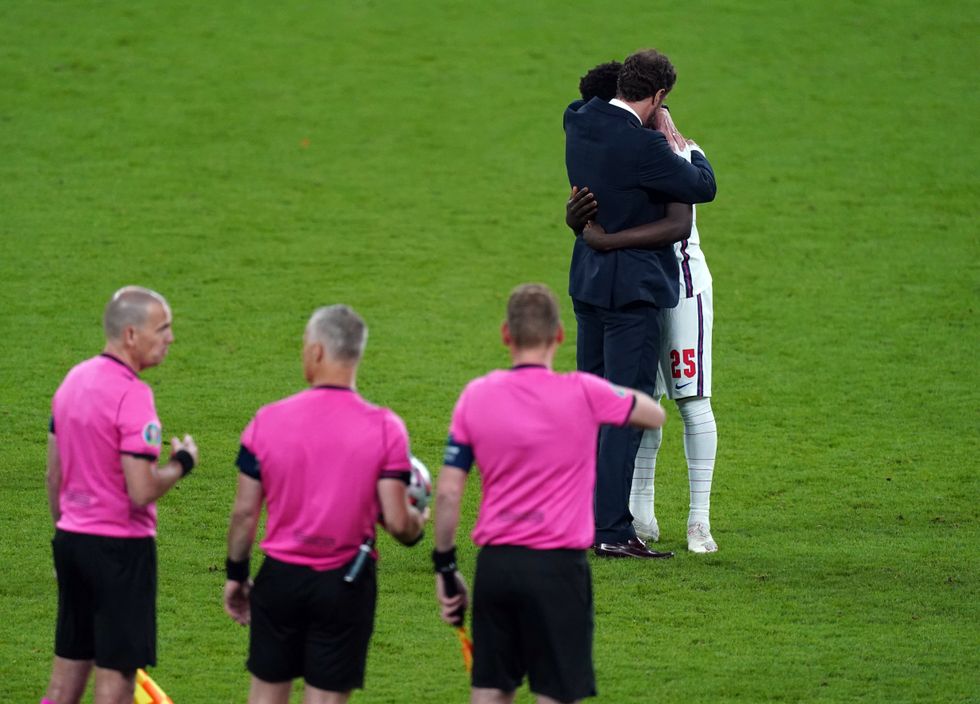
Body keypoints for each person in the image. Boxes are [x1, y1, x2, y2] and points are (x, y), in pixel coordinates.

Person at [433, 284, 668, 704]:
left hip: (497, 566)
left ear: (506, 335)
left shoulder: (477, 395)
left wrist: (446, 565)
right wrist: (608, 395)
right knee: (556, 694)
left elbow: (449, 492)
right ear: (559, 335)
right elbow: (654, 414)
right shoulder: (583, 392)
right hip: (560, 570)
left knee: (489, 692)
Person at [223, 304, 427, 704]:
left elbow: (245, 512)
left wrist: (236, 575)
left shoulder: (266, 421)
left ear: (316, 351)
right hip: (345, 583)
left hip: (280, 579)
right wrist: (418, 520)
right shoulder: (387, 428)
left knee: (265, 696)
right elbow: (401, 525)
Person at [563, 49, 717, 557]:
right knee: (625, 410)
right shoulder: (646, 148)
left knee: (592, 408)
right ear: (659, 96)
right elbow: (702, 186)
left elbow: (582, 101)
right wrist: (680, 139)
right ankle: (610, 531)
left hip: (587, 285)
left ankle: (587, 520)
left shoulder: (579, 122)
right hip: (632, 294)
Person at [42, 286, 198, 704]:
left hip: (72, 542)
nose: (170, 338)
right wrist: (182, 463)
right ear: (131, 335)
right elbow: (141, 489)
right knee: (115, 686)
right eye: (162, 328)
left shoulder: (72, 381)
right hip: (120, 553)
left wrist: (64, 537)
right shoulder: (133, 395)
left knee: (64, 684)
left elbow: (53, 475)